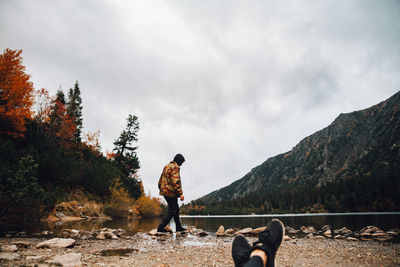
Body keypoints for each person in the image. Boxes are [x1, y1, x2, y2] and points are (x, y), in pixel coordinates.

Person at [157, 154, 186, 232]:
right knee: (172, 210)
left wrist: (161, 188)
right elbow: (175, 181)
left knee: (176, 208)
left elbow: (160, 179)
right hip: (170, 191)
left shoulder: (167, 166)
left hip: (165, 190)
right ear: (179, 161)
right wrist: (180, 193)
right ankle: (161, 228)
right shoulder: (175, 167)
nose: (181, 164)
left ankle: (178, 226)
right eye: (182, 162)